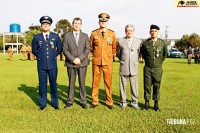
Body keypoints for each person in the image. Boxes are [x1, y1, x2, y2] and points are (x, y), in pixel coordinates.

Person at [32, 16, 62, 110]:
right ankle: (42, 104)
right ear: (41, 26)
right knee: (42, 85)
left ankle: (55, 103)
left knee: (53, 84)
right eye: (43, 24)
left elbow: (60, 49)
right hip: (41, 65)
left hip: (52, 65)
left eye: (47, 24)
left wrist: (53, 56)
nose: (45, 26)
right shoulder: (37, 37)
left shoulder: (55, 36)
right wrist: (41, 56)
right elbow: (34, 50)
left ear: (50, 26)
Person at [89, 13, 117, 109]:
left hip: (108, 62)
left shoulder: (112, 33)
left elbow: (114, 48)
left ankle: (109, 101)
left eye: (105, 21)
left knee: (108, 83)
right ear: (99, 22)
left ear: (107, 22)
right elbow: (91, 47)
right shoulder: (94, 33)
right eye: (101, 21)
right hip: (96, 62)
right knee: (95, 82)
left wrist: (111, 58)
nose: (103, 22)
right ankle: (94, 101)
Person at [63, 17, 90, 109]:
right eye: (75, 23)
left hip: (82, 63)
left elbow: (87, 49)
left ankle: (83, 101)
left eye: (78, 23)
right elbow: (65, 50)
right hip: (71, 63)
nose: (77, 25)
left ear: (81, 25)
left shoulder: (85, 36)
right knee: (71, 83)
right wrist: (73, 59)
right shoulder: (67, 36)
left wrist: (79, 58)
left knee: (82, 83)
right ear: (72, 24)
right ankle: (70, 101)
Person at [140, 24, 167, 111]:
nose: (153, 33)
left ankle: (156, 103)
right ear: (149, 32)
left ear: (158, 32)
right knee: (147, 86)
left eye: (155, 31)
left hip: (158, 69)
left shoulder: (162, 43)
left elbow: (164, 55)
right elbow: (143, 54)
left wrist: (158, 63)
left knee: (156, 86)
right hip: (148, 68)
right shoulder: (145, 43)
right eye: (152, 31)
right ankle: (146, 103)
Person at [117, 24, 142, 110]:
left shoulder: (138, 41)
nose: (129, 32)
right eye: (128, 30)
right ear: (125, 31)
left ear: (133, 32)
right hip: (124, 66)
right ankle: (123, 102)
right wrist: (124, 60)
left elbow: (139, 54)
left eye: (131, 31)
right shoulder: (120, 41)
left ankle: (134, 102)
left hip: (134, 67)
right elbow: (118, 54)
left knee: (134, 86)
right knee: (122, 86)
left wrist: (133, 60)